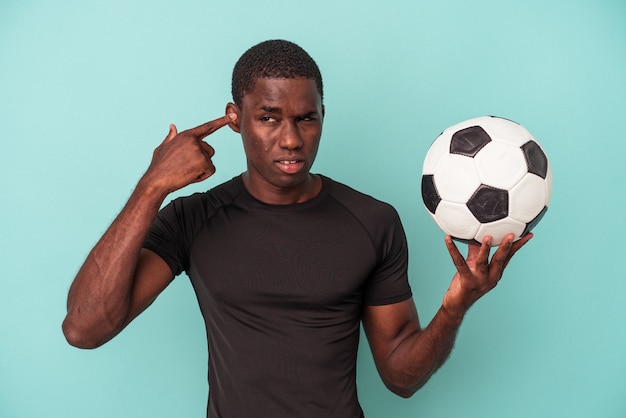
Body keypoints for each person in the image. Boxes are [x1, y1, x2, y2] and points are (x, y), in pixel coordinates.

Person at [62, 40, 532, 417]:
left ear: (322, 115)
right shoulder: (191, 218)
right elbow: (85, 329)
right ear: (234, 118)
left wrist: (454, 309)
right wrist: (152, 186)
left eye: (306, 118)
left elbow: (400, 379)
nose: (291, 139)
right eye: (269, 118)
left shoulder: (372, 221)